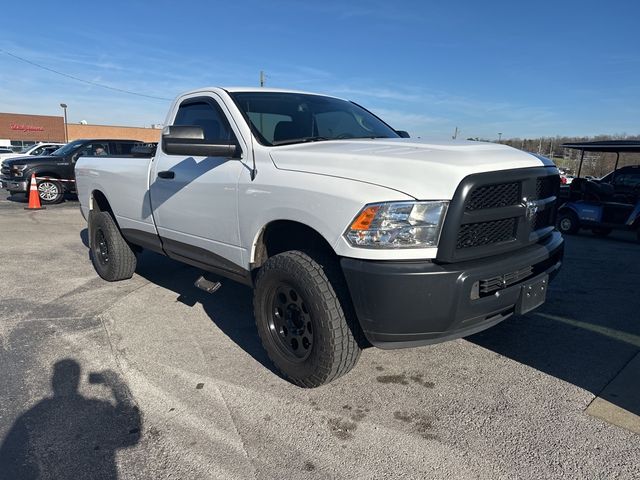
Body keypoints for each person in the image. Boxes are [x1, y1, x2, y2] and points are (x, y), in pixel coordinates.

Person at [0, 359, 141, 479]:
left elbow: (9, 457)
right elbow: (131, 436)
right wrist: (117, 385)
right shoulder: (96, 407)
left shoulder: (34, 412)